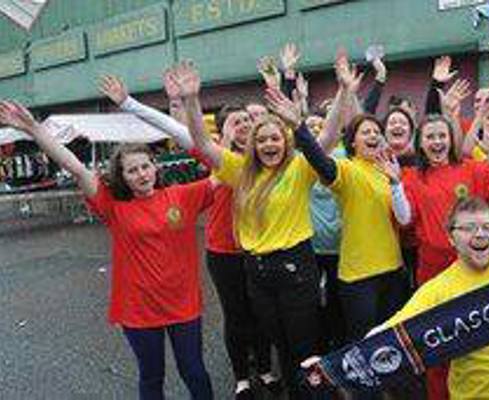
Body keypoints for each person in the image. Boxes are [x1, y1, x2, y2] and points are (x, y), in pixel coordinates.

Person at [0, 100, 215, 400]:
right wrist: (34, 129)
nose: (141, 174)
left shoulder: (183, 195)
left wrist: (191, 103)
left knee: (193, 371)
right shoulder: (113, 205)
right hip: (138, 310)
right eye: (132, 170)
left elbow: (224, 168)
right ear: (122, 176)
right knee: (152, 377)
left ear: (155, 166)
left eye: (145, 166)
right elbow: (73, 165)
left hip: (183, 304)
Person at [98, 74, 281, 399]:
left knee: (262, 314)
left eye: (249, 121)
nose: (245, 126)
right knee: (236, 318)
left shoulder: (270, 158)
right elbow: (187, 135)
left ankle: (266, 370)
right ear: (224, 129)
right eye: (236, 121)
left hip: (261, 250)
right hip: (224, 250)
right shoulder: (223, 161)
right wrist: (162, 103)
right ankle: (241, 379)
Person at [175, 60, 336, 400]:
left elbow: (328, 138)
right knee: (281, 347)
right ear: (253, 145)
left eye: (275, 138)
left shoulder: (298, 167)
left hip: (295, 267)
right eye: (261, 140)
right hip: (257, 271)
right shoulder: (239, 171)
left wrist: (342, 94)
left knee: (304, 349)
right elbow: (202, 143)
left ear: (285, 141)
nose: (268, 144)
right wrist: (191, 100)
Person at [329, 197, 489, 400]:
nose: (480, 234)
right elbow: (391, 331)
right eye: (469, 228)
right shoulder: (439, 290)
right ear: (451, 238)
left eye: (488, 227)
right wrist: (331, 367)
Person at [389, 113, 489, 400]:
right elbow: (404, 219)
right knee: (437, 345)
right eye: (430, 137)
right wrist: (395, 185)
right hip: (433, 270)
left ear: (450, 139)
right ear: (420, 143)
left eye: (441, 135)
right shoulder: (411, 177)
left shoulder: (472, 168)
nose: (437, 142)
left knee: (479, 341)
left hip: (476, 266)